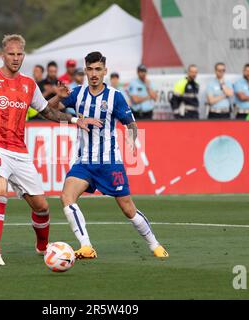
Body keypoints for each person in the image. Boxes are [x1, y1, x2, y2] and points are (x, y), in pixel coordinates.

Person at [0, 34, 101, 266]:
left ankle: (43, 248)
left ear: (24, 55)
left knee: (41, 207)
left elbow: (47, 112)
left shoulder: (29, 84)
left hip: (19, 151)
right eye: (11, 54)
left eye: (19, 54)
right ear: (3, 55)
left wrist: (74, 121)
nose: (15, 58)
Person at [60, 51, 169, 259]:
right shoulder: (77, 94)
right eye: (90, 69)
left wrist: (131, 137)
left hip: (110, 163)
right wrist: (59, 95)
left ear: (105, 71)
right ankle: (86, 246)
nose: (94, 74)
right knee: (67, 196)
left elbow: (131, 123)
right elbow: (50, 109)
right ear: (85, 70)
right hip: (84, 162)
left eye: (98, 69)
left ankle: (154, 244)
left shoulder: (115, 97)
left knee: (128, 209)